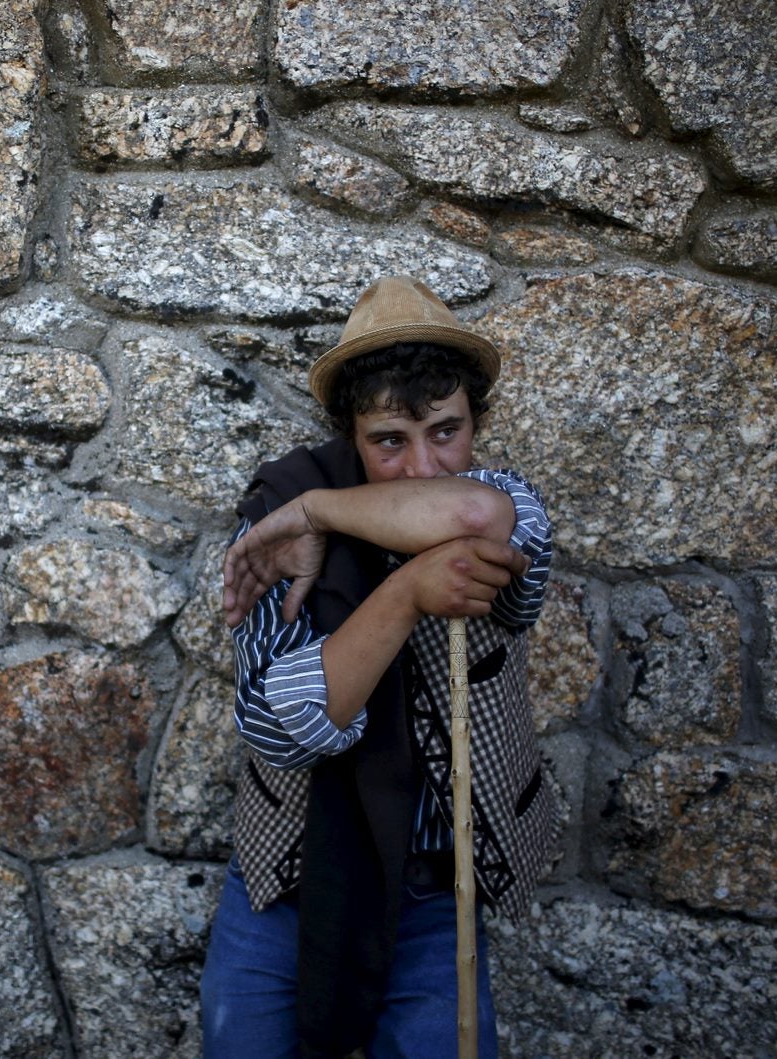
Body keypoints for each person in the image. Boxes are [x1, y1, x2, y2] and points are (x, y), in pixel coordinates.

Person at [200, 276, 559, 1059]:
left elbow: (466, 515)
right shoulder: (278, 518)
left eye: (446, 431)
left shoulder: (506, 501)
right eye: (389, 440)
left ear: (475, 424)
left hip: (438, 889)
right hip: (286, 883)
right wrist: (404, 591)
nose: (423, 465)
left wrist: (324, 513)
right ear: (350, 437)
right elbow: (278, 727)